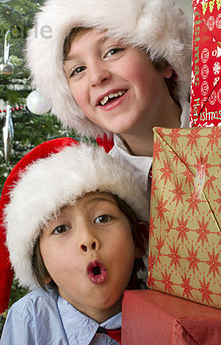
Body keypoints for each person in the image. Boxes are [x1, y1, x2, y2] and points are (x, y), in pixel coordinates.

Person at [0, 138, 149, 345]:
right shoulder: (29, 321)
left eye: (103, 218)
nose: (87, 239)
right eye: (61, 228)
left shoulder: (162, 314)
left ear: (138, 241)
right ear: (42, 269)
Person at [25, 0, 192, 198]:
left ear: (162, 60)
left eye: (113, 51)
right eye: (78, 70)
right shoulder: (101, 196)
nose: (96, 77)